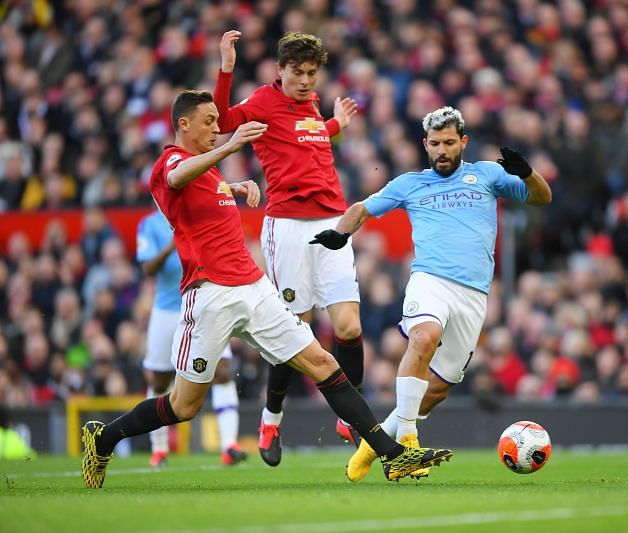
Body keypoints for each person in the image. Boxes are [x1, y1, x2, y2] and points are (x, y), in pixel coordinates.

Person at [79, 89, 453, 489]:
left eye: (217, 122)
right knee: (183, 405)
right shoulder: (171, 160)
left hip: (254, 288)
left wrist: (234, 186)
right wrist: (231, 148)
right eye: (208, 122)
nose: (217, 128)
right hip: (209, 295)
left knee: (324, 363)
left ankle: (392, 456)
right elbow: (175, 177)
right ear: (183, 124)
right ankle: (105, 437)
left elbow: (202, 192)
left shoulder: (207, 171)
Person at [310, 106, 552, 481]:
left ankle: (372, 446)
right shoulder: (410, 183)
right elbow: (362, 208)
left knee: (437, 389)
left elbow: (541, 197)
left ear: (463, 142)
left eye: (449, 143)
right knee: (424, 337)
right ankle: (407, 443)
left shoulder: (486, 174)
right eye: (435, 143)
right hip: (430, 280)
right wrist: (341, 233)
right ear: (425, 144)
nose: (442, 150)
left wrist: (528, 173)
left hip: (473, 295)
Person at [213, 30, 363, 467]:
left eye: (311, 73)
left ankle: (346, 416)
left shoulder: (313, 105)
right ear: (280, 71)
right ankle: (271, 419)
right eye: (297, 73)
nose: (305, 81)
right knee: (294, 332)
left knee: (349, 328)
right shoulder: (262, 101)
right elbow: (222, 122)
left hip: (332, 223)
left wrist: (336, 125)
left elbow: (308, 138)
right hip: (289, 228)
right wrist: (226, 66)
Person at [137, 208, 246, 467]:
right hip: (167, 309)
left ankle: (229, 445)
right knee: (161, 379)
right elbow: (147, 268)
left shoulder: (199, 214)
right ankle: (159, 449)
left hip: (203, 305)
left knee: (222, 372)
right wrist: (171, 245)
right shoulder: (150, 224)